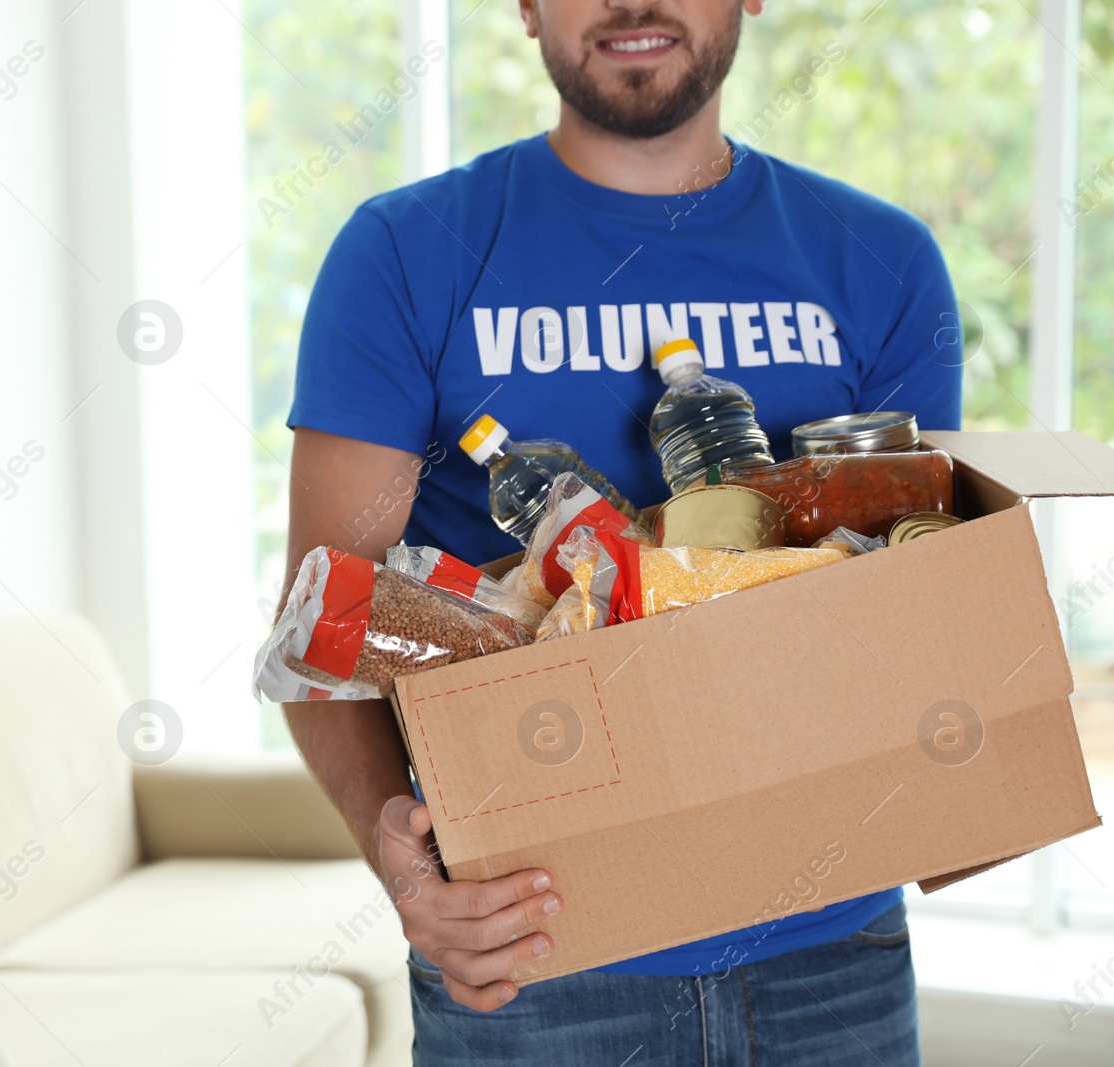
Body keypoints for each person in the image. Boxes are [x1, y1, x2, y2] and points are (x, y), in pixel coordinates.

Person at [278, 1, 959, 1063]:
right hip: (535, 947)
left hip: (831, 943)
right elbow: (326, 615)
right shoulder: (406, 253)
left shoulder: (877, 260)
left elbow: (924, 581)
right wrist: (402, 866)